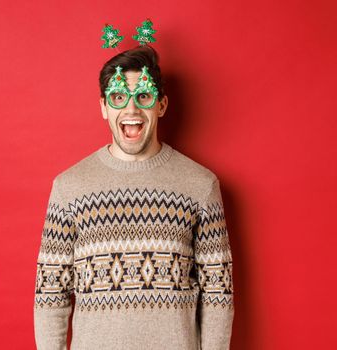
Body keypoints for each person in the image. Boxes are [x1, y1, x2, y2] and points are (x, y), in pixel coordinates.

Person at [33, 45, 234, 350]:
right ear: (103, 107)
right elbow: (50, 295)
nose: (131, 110)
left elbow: (218, 295)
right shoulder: (68, 188)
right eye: (118, 98)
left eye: (143, 96)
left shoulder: (201, 186)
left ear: (161, 105)